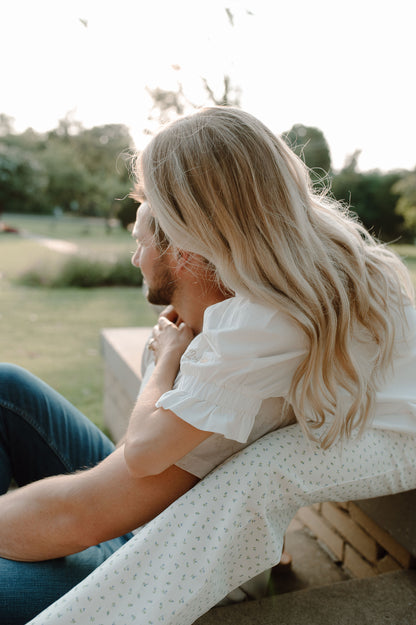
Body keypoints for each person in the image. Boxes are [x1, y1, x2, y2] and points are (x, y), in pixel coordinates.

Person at [27, 107, 416, 625]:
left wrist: (166, 358)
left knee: (265, 471)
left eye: (150, 227)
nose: (135, 251)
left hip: (399, 430)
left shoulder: (260, 320)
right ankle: (258, 556)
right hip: (382, 406)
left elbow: (140, 458)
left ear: (191, 239)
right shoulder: (297, 261)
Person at [0, 200, 289, 623]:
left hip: (151, 567)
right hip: (136, 512)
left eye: (141, 243)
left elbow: (80, 514)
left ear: (183, 255)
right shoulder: (204, 324)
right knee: (7, 387)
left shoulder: (226, 364)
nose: (135, 257)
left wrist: (166, 362)